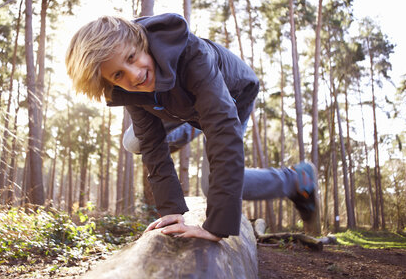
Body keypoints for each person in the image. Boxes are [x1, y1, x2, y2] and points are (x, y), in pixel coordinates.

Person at [65, 13, 317, 242]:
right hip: (181, 103)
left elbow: (222, 129)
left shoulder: (193, 56)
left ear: (141, 43)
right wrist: (171, 210)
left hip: (231, 95)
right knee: (136, 141)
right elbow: (152, 146)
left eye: (132, 58)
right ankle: (197, 124)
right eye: (118, 75)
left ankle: (296, 179)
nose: (134, 75)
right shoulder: (132, 89)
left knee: (211, 184)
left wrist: (216, 226)